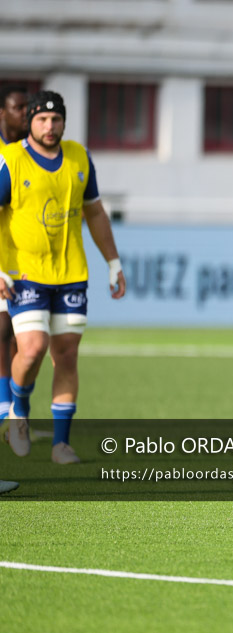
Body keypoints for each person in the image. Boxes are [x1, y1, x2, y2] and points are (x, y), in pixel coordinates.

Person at [0, 90, 126, 464]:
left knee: (66, 355)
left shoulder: (79, 158)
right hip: (24, 273)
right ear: (30, 122)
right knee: (33, 347)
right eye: (41, 119)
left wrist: (114, 262)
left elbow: (96, 213)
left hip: (71, 275)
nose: (49, 126)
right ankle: (18, 412)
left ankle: (61, 445)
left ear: (64, 122)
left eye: (55, 120)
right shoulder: (10, 160)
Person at [0, 85, 28, 421]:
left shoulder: (29, 152)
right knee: (4, 331)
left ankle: (17, 414)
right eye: (18, 107)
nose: (25, 113)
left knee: (26, 340)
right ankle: (8, 410)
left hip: (24, 258)